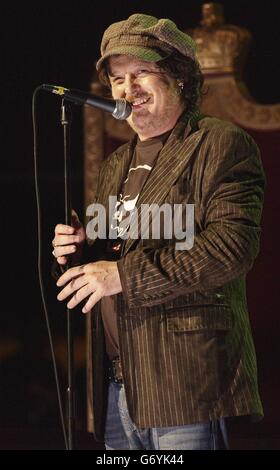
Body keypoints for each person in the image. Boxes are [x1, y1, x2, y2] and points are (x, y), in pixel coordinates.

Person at [52, 14, 265, 450]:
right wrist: (79, 248)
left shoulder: (219, 144)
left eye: (141, 73)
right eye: (117, 79)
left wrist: (122, 275)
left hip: (186, 384)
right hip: (116, 386)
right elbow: (115, 249)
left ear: (179, 78)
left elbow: (231, 248)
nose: (127, 90)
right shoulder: (115, 164)